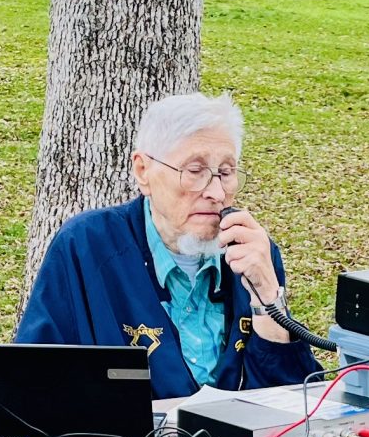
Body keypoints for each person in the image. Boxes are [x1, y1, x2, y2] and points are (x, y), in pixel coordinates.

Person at [16, 92, 316, 398]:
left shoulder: (251, 254)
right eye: (195, 171)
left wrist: (267, 297)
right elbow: (30, 385)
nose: (216, 193)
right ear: (143, 171)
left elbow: (291, 400)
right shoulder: (86, 247)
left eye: (225, 173)